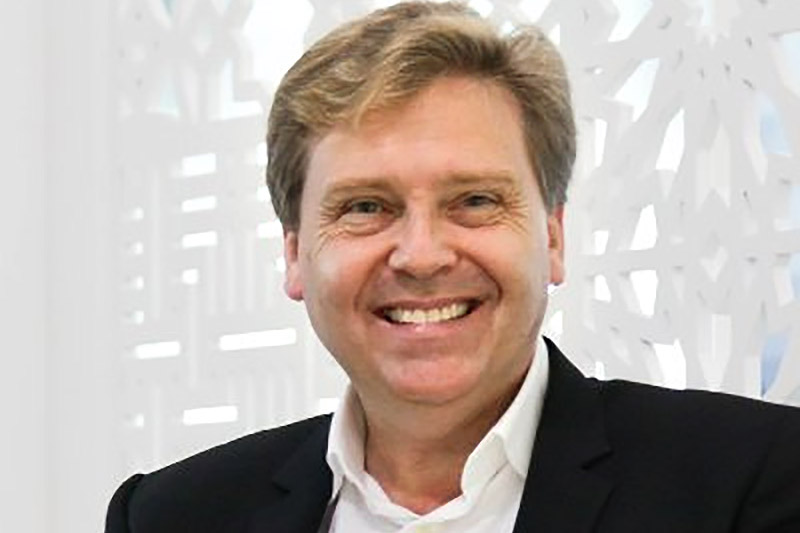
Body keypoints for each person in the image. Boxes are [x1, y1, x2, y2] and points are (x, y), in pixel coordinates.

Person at [105, 2, 800, 532]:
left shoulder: (753, 482)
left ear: (553, 236)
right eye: (366, 207)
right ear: (294, 252)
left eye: (474, 201)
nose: (423, 255)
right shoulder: (172, 516)